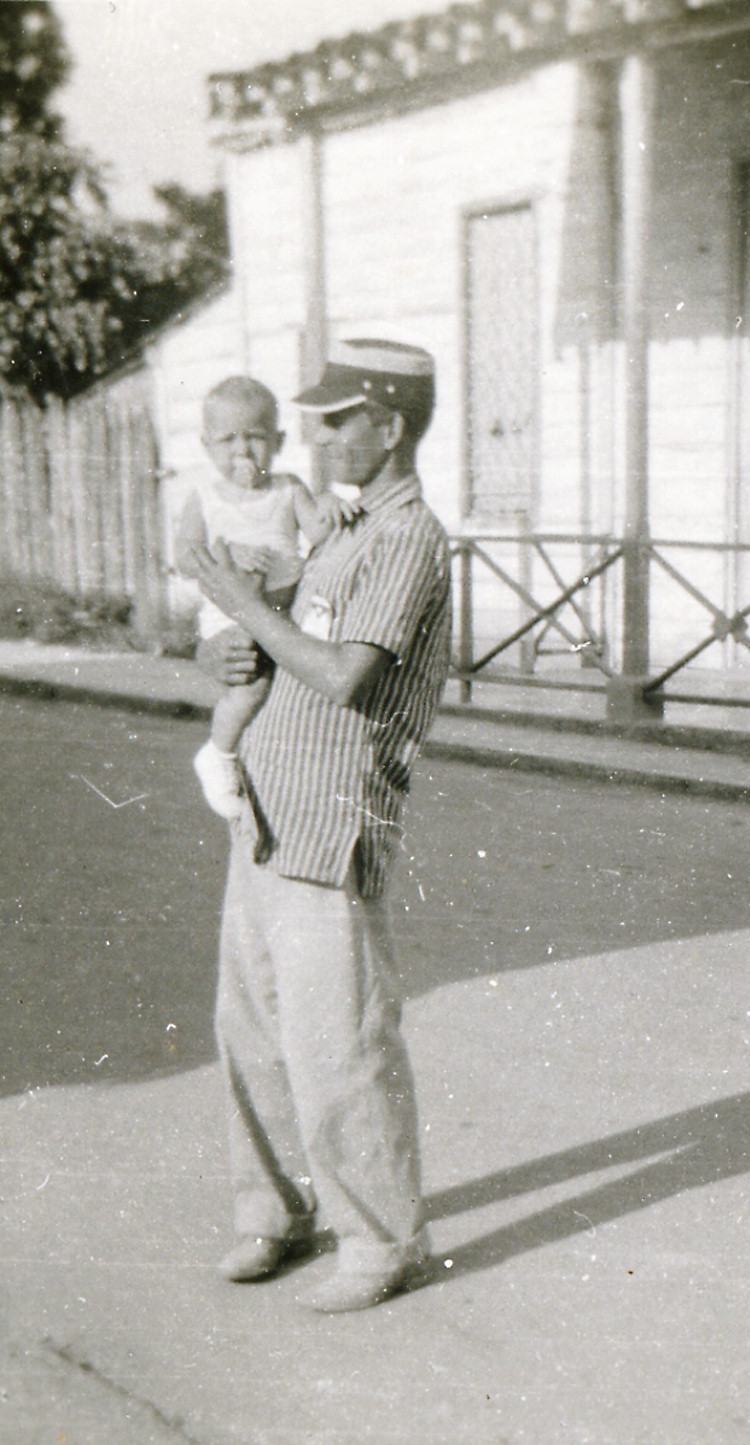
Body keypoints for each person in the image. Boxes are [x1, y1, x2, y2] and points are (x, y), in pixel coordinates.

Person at [186, 338, 450, 1313]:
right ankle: (271, 1210)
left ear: (390, 424)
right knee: (250, 1024)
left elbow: (344, 674)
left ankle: (381, 1243)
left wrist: (245, 606)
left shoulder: (404, 537)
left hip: (333, 813)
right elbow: (276, 646)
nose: (320, 433)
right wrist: (229, 650)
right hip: (266, 805)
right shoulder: (336, 526)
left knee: (339, 1037)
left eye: (341, 418)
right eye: (320, 418)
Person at [170, 375, 347, 820]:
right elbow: (185, 556)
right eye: (228, 440)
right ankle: (218, 753)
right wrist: (223, 552)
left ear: (279, 441)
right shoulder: (206, 497)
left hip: (288, 610)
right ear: (207, 446)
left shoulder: (288, 488)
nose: (243, 452)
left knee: (312, 661)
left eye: (256, 437)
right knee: (253, 686)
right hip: (230, 615)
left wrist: (329, 503)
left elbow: (320, 532)